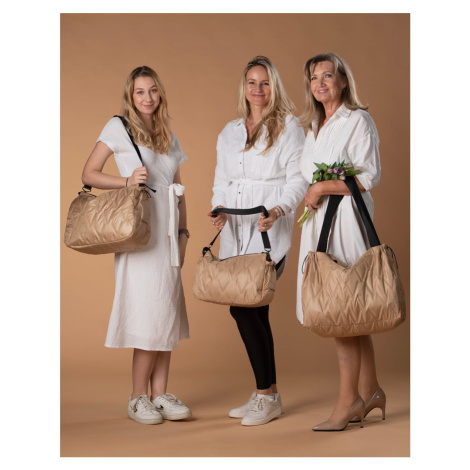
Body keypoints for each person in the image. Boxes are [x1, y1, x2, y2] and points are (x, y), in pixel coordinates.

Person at [81, 66, 191, 425]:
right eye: (140, 91)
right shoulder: (119, 128)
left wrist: (184, 233)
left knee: (166, 313)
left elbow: (178, 191)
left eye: (153, 90)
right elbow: (88, 173)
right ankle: (137, 397)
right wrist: (126, 181)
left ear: (160, 94)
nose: (147, 97)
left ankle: (160, 394)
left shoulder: (168, 136)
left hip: (168, 235)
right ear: (131, 96)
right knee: (148, 312)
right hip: (141, 234)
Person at [208, 56, 308, 426]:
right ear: (244, 87)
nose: (258, 89)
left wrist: (279, 210)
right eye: (252, 82)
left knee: (246, 306)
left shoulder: (288, 127)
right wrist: (218, 208)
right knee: (252, 307)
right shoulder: (229, 131)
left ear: (274, 87)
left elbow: (298, 179)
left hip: (268, 224)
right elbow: (221, 179)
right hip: (235, 227)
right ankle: (268, 394)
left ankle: (267, 395)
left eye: (265, 83)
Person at [296, 53, 383, 431]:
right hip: (319, 221)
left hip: (346, 220)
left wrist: (320, 188)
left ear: (343, 81)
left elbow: (368, 176)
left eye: (327, 76)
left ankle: (349, 402)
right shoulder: (314, 126)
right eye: (313, 78)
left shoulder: (358, 120)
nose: (320, 83)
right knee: (351, 308)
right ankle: (371, 390)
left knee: (342, 307)